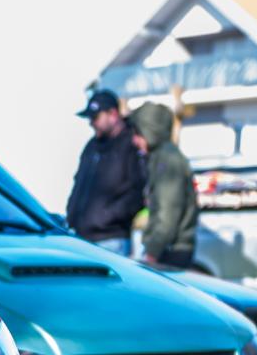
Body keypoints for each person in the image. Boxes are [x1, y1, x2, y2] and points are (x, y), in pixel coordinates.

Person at [66, 87, 146, 255]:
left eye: (95, 117)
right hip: (82, 238)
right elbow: (78, 185)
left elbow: (137, 193)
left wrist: (106, 217)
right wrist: (71, 214)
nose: (91, 123)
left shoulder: (131, 145)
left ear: (113, 114)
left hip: (112, 240)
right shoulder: (91, 147)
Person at [130, 101, 198, 268]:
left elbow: (168, 212)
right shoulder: (160, 157)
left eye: (138, 134)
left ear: (150, 131)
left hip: (171, 251)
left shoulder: (167, 161)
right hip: (168, 248)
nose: (134, 140)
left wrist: (153, 251)